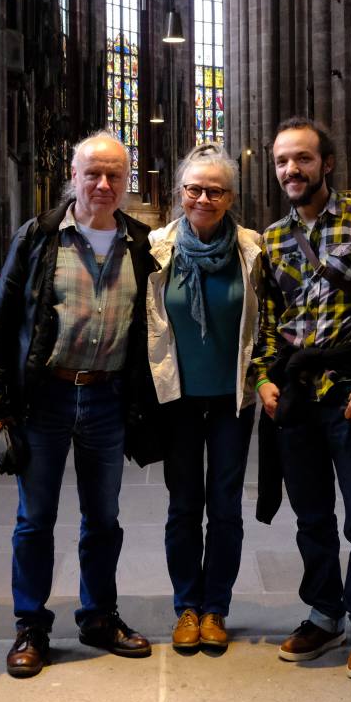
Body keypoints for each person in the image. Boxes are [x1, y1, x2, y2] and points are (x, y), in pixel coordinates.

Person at [0, 132, 159, 678]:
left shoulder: (142, 245)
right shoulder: (37, 237)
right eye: (93, 174)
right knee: (35, 520)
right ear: (73, 177)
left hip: (107, 398)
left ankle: (98, 616)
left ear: (127, 183)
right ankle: (30, 624)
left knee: (103, 520)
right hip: (46, 398)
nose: (103, 185)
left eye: (115, 176)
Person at [253, 116, 351, 681]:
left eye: (302, 159)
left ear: (327, 163)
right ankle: (324, 613)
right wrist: (263, 380)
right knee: (311, 516)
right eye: (282, 162)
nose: (291, 170)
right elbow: (267, 322)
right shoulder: (270, 239)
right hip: (294, 396)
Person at [144, 143, 265, 652]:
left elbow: (267, 323)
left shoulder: (253, 248)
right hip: (179, 400)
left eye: (214, 190)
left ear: (231, 196)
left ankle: (216, 607)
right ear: (180, 193)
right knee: (183, 506)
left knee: (226, 507)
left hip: (233, 401)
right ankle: (186, 607)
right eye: (194, 189)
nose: (203, 198)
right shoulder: (156, 247)